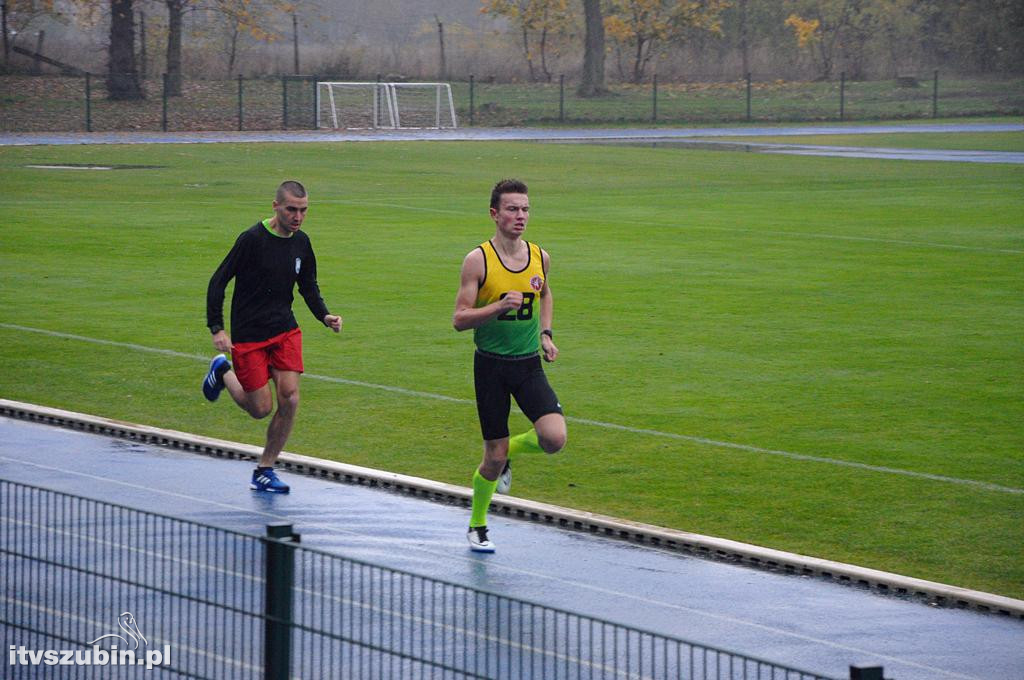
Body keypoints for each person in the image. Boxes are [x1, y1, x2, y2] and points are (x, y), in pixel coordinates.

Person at [203, 180, 342, 493]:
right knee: (260, 409)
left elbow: (308, 286)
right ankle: (223, 371)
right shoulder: (251, 240)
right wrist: (217, 327)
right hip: (250, 335)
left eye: (303, 210)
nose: (298, 216)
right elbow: (218, 281)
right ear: (275, 206)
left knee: (290, 397)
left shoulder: (302, 243)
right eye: (292, 209)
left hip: (284, 330)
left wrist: (324, 315)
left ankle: (265, 468)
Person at [452, 178, 567, 552]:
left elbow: (545, 293)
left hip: (527, 364)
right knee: (492, 456)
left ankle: (510, 456)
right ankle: (477, 523)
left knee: (554, 438)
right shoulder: (478, 260)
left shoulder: (539, 256)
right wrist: (498, 306)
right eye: (513, 209)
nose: (521, 216)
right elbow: (459, 318)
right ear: (494, 213)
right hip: (490, 368)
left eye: (526, 209)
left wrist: (546, 334)